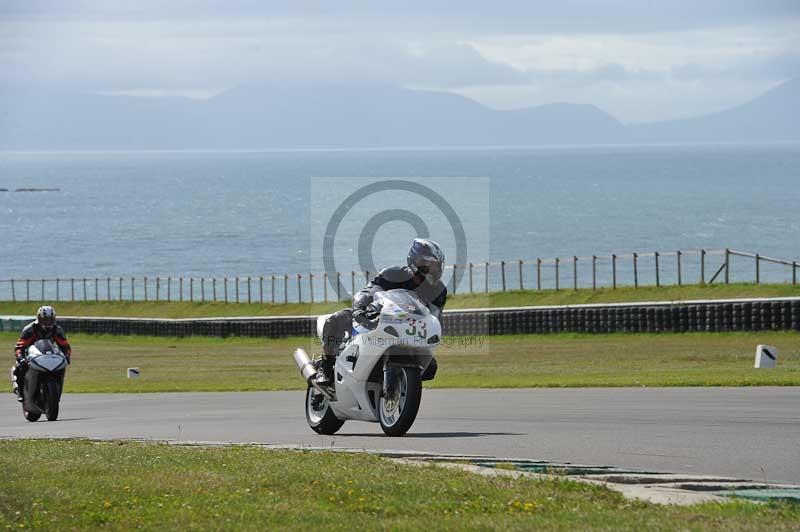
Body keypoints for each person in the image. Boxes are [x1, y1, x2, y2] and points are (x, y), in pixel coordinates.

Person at [318, 238, 447, 386]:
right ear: (416, 262)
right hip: (374, 317)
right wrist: (360, 308)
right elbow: (368, 291)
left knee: (431, 367)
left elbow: (434, 318)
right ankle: (326, 367)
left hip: (406, 331)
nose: (434, 270)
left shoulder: (439, 291)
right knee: (333, 321)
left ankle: (400, 383)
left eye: (436, 266)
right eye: (429, 266)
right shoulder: (394, 274)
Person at [11, 305, 72, 402]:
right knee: (21, 367)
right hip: (31, 356)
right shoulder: (30, 329)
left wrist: (67, 356)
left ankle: (56, 393)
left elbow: (65, 346)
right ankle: (21, 391)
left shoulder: (57, 330)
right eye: (45, 319)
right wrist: (21, 358)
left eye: (50, 319)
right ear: (39, 318)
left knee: (61, 367)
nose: (48, 322)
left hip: (49, 355)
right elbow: (19, 347)